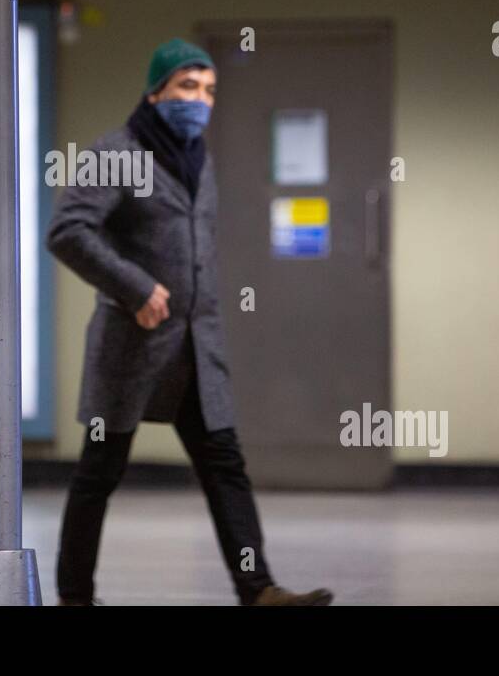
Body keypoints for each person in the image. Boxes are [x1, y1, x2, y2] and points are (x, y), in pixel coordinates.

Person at [46, 38, 334, 606]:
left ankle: (258, 589)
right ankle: (75, 596)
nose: (199, 101)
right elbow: (68, 231)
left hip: (197, 349)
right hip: (133, 345)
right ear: (156, 91)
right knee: (99, 473)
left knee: (225, 464)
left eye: (208, 91)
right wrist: (134, 287)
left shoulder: (199, 156)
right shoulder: (117, 152)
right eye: (187, 87)